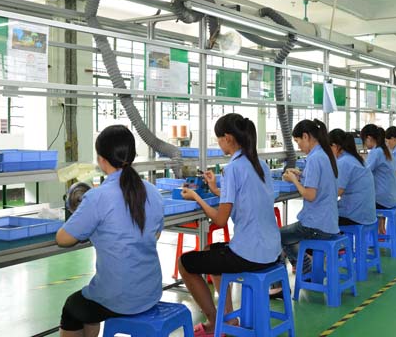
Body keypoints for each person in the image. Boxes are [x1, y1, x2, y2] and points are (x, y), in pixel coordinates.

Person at [56, 125, 164, 337]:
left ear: (101, 159)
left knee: (73, 308)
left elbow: (63, 239)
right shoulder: (153, 191)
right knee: (91, 301)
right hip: (150, 292)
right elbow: (156, 235)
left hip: (119, 298)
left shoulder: (97, 197)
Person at [179, 114, 281, 335]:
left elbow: (220, 220)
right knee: (211, 250)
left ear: (227, 138)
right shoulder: (260, 164)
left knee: (185, 263)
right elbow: (243, 197)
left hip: (250, 254)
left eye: (218, 139)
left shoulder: (233, 167)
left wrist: (196, 197)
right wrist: (216, 189)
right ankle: (229, 318)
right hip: (272, 250)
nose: (218, 143)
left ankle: (214, 321)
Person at [275, 119, 338, 294]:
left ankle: (280, 285)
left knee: (277, 235)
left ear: (306, 136)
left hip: (316, 225)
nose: (299, 146)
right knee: (288, 234)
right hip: (329, 222)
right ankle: (306, 270)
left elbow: (310, 195)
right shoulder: (325, 155)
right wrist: (302, 175)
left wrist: (294, 180)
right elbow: (319, 182)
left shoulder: (315, 158)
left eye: (298, 141)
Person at [328, 128, 376, 226]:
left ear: (335, 146)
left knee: (318, 217)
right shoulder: (356, 159)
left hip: (355, 215)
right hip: (367, 213)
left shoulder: (343, 162)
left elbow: (337, 192)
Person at [361, 124, 396, 234]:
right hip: (389, 197)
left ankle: (372, 234)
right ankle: (381, 229)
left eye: (364, 141)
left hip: (382, 199)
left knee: (356, 205)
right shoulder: (385, 150)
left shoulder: (376, 152)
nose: (364, 144)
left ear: (369, 138)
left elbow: (364, 173)